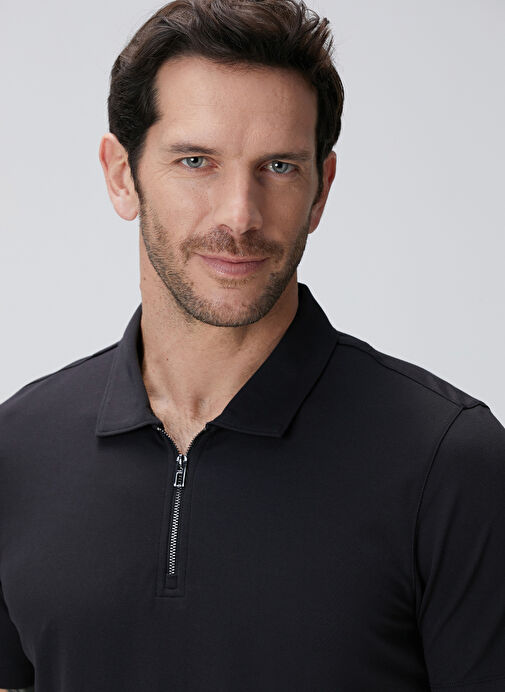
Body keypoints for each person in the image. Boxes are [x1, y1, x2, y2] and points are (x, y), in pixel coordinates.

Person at [1, 0, 504, 690]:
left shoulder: (448, 464)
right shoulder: (18, 451)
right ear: (122, 175)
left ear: (321, 190)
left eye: (278, 167)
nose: (239, 215)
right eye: (196, 161)